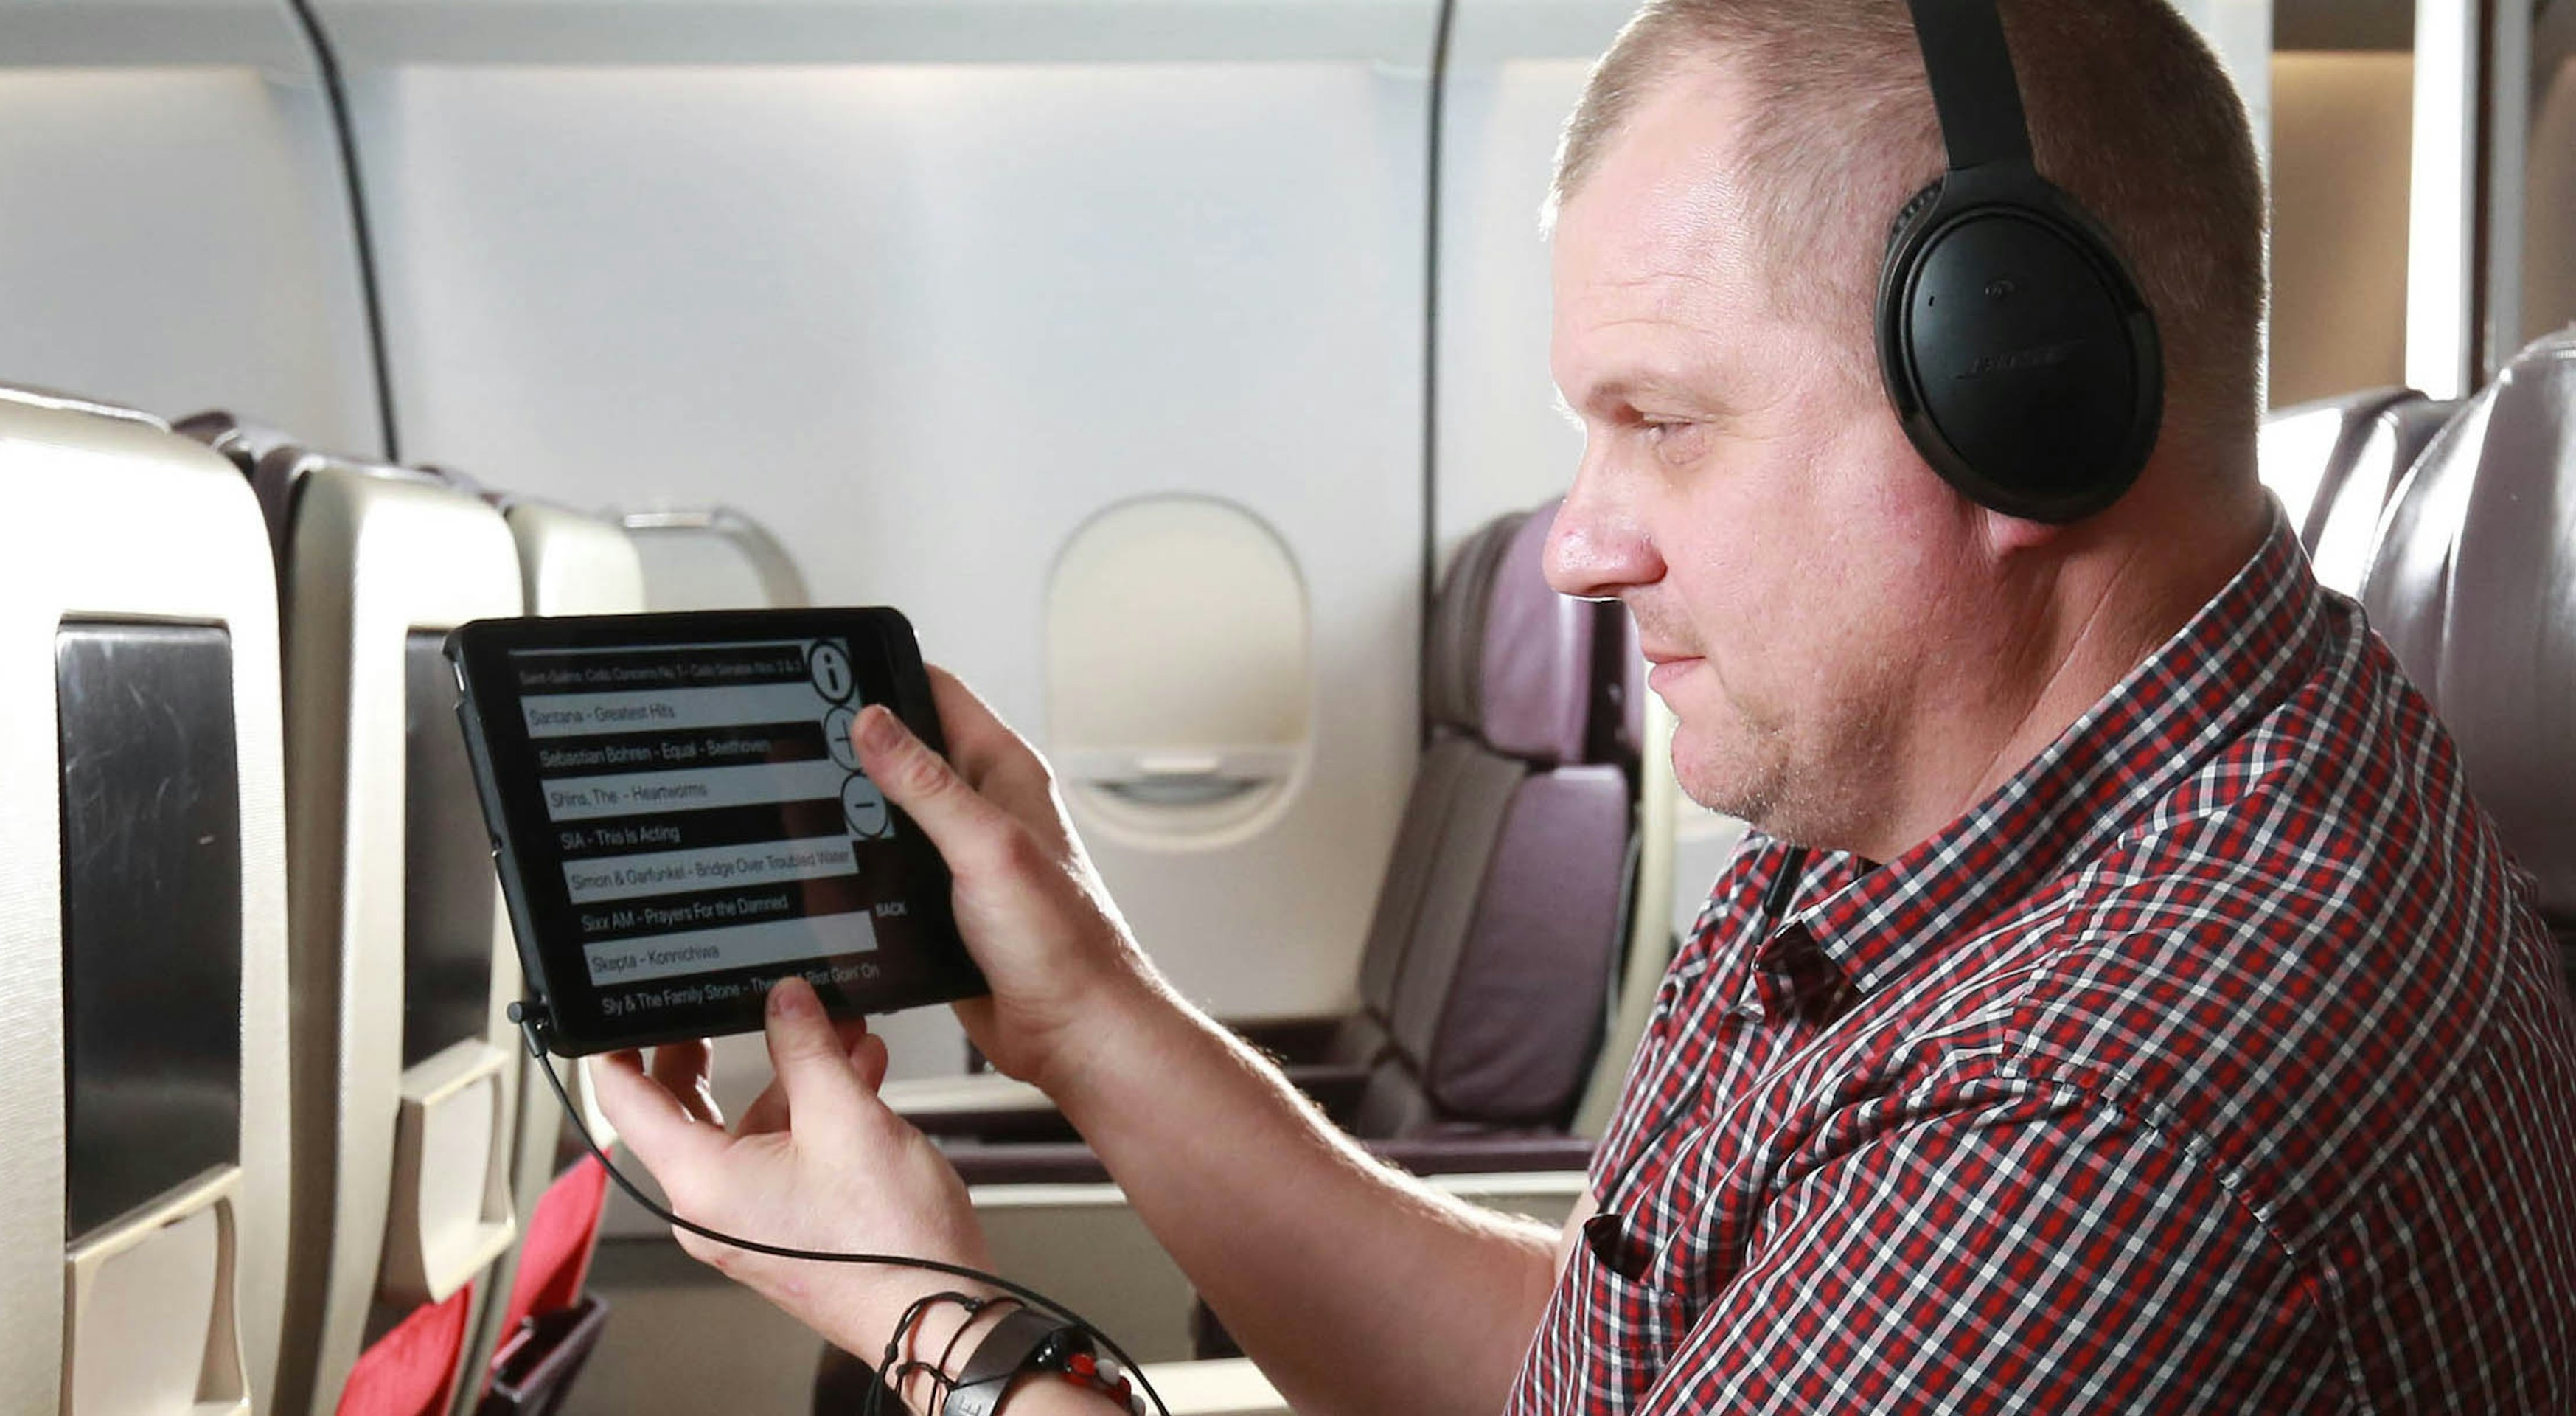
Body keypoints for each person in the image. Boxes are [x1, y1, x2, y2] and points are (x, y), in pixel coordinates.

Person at [591, 0, 2576, 1409]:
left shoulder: (2115, 1107)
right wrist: (1087, 1010)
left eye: (1662, 424)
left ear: (2019, 397)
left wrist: (945, 1324)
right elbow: (1601, 1376)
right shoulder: (1975, 830)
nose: (1578, 548)